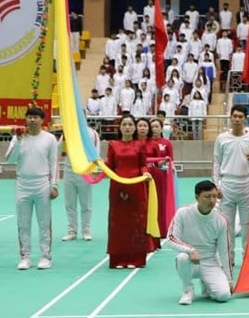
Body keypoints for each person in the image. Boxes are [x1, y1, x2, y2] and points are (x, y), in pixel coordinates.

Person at [5, 106, 59, 270]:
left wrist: (54, 185)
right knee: (23, 222)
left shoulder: (49, 139)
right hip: (23, 183)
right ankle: (25, 256)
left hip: (42, 183)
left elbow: (54, 163)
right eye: (29, 117)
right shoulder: (18, 138)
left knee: (44, 222)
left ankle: (45, 256)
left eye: (36, 117)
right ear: (26, 119)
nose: (32, 120)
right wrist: (19, 140)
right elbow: (9, 160)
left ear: (42, 120)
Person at [166, 180, 233, 305]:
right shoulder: (182, 213)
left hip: (210, 262)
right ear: (197, 197)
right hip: (189, 261)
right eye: (207, 197)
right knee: (182, 257)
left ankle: (206, 282)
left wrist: (229, 280)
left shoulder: (221, 220)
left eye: (214, 196)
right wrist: (190, 250)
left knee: (223, 296)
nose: (212, 200)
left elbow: (225, 252)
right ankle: (187, 290)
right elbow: (170, 238)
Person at [106, 115, 157, 268]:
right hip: (117, 186)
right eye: (124, 124)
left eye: (130, 124)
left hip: (136, 186)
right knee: (118, 223)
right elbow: (110, 165)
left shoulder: (140, 145)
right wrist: (98, 167)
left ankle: (136, 258)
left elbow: (143, 164)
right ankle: (118, 259)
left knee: (136, 222)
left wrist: (146, 172)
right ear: (120, 128)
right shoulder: (112, 144)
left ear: (134, 128)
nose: (127, 127)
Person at [214, 105, 249, 261]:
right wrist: (216, 185)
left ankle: (248, 258)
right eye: (234, 116)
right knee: (227, 224)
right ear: (230, 118)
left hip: (246, 183)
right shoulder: (222, 138)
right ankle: (228, 257)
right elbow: (216, 162)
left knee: (247, 224)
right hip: (227, 183)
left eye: (240, 117)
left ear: (245, 119)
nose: (237, 119)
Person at [60, 125, 101, 242]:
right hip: (69, 170)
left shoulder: (92, 133)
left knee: (86, 204)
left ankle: (86, 231)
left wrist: (93, 171)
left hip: (85, 170)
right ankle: (71, 231)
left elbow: (96, 153)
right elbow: (60, 151)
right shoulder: (67, 131)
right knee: (69, 204)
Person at [146, 118, 176, 241]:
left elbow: (171, 160)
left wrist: (169, 165)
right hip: (148, 175)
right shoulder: (145, 143)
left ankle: (163, 230)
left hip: (162, 176)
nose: (154, 129)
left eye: (157, 126)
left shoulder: (167, 143)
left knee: (161, 202)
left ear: (161, 128)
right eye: (152, 127)